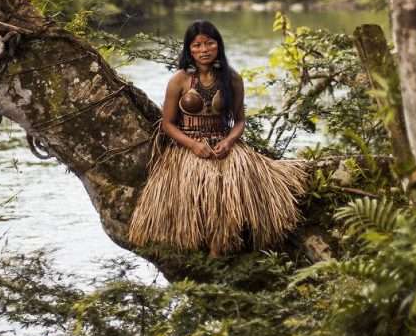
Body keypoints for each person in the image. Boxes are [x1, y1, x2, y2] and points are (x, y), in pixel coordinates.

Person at [128, 20, 308, 255]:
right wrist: (193, 145)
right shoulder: (180, 80)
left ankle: (224, 247)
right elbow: (167, 124)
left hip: (225, 146)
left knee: (228, 190)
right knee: (203, 193)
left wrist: (229, 141)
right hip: (188, 150)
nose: (204, 50)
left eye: (209, 43)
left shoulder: (232, 79)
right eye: (197, 45)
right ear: (189, 50)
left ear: (218, 45)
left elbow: (240, 121)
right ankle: (197, 244)